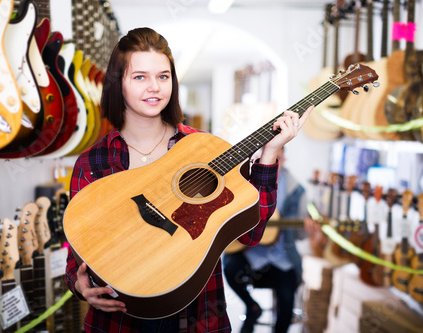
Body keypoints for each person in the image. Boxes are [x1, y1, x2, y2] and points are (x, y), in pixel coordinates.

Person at [65, 27, 313, 333]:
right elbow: (76, 250)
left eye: (163, 76)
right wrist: (79, 285)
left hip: (198, 315)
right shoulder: (94, 161)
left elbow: (250, 234)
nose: (154, 87)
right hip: (117, 320)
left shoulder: (203, 150)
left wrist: (270, 153)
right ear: (119, 84)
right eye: (140, 76)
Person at [223, 148, 307, 333]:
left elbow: (300, 235)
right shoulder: (246, 181)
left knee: (287, 301)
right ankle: (252, 308)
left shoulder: (297, 192)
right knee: (228, 268)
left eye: (275, 157)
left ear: (283, 159)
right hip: (249, 252)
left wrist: (309, 231)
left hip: (281, 258)